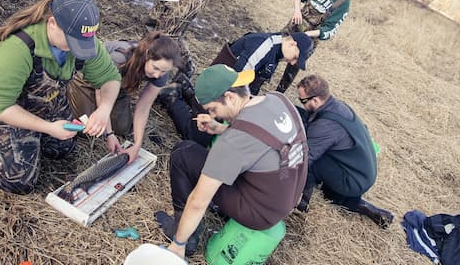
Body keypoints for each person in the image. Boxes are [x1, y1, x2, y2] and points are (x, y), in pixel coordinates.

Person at [0, 0, 122, 194]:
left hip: (44, 101)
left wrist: (104, 109)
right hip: (7, 108)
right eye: (73, 41)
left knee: (62, 148)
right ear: (52, 23)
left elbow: (110, 78)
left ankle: (28, 139)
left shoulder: (83, 42)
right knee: (18, 180)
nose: (78, 49)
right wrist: (48, 127)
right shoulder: (17, 49)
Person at [155, 64, 308, 258]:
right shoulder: (279, 100)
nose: (212, 115)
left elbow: (198, 201)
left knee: (183, 153)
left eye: (212, 109)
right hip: (287, 196)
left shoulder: (234, 141)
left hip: (260, 213)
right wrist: (220, 129)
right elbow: (260, 143)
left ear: (229, 97)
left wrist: (177, 245)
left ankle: (187, 238)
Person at [158, 32, 314, 146]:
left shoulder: (275, 50)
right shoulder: (265, 47)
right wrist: (235, 116)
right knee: (196, 137)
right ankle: (171, 97)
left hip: (226, 93)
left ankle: (185, 87)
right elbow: (236, 81)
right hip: (221, 90)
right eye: (295, 58)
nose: (293, 63)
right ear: (292, 43)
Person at [295, 74, 394, 228]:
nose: (301, 103)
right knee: (329, 186)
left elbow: (305, 158)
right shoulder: (337, 106)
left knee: (311, 160)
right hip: (361, 171)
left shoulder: (325, 125)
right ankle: (369, 209)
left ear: (315, 100)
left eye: (302, 101)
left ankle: (301, 202)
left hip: (354, 180)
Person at [67, 31, 181, 162]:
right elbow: (101, 94)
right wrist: (109, 134)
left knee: (122, 127)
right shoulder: (120, 58)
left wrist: (137, 145)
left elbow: (144, 106)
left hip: (119, 88)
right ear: (147, 55)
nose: (157, 75)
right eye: (155, 68)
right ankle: (70, 96)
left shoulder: (161, 72)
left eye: (164, 71)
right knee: (89, 128)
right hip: (88, 82)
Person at [277, 0, 352, 92]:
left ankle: (279, 92)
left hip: (309, 38)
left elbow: (329, 29)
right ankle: (260, 76)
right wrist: (297, 10)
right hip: (293, 26)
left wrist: (306, 35)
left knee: (293, 65)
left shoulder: (344, 1)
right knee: (275, 49)